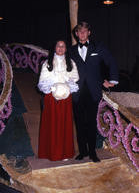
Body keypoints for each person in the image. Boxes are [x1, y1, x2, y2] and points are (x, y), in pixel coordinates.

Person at [69, 21, 119, 162]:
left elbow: (111, 62)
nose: (82, 33)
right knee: (79, 123)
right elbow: (64, 68)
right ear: (76, 34)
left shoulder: (98, 47)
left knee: (91, 122)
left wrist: (112, 80)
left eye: (85, 31)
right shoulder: (71, 50)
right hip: (77, 92)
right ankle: (83, 152)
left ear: (89, 33)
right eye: (80, 31)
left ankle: (92, 152)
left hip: (93, 91)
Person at [37, 40, 79, 161]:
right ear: (54, 48)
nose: (60, 48)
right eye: (58, 46)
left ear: (66, 49)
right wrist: (54, 84)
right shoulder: (47, 63)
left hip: (65, 97)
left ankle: (65, 153)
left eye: (63, 46)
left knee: (64, 124)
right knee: (51, 124)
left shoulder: (70, 63)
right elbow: (42, 81)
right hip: (51, 97)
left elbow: (75, 77)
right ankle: (50, 153)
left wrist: (65, 80)